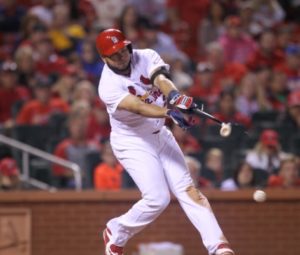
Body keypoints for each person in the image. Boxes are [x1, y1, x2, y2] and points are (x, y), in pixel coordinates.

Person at [96, 28, 234, 255]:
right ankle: (116, 230)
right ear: (104, 58)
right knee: (157, 199)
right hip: (131, 141)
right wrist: (169, 113)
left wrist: (175, 97)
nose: (121, 56)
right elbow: (138, 106)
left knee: (189, 190)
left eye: (122, 49)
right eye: (114, 54)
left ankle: (218, 247)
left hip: (159, 133)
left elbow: (160, 79)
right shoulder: (108, 85)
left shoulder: (146, 55)